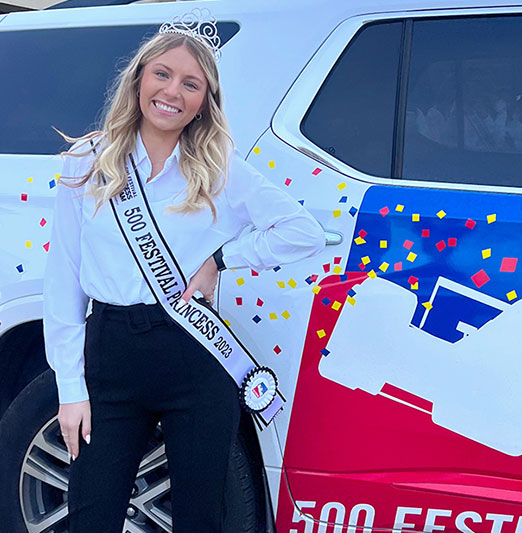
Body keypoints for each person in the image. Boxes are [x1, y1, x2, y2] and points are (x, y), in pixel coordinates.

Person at [42, 9, 325, 531]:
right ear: (139, 79)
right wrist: (69, 387)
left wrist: (223, 260)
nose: (173, 92)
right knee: (91, 513)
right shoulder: (88, 161)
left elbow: (302, 232)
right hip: (110, 354)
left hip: (192, 355)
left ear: (203, 102)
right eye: (163, 74)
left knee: (200, 519)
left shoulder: (219, 170)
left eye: (191, 84)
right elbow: (63, 280)